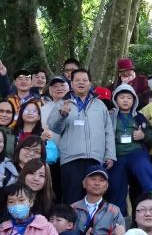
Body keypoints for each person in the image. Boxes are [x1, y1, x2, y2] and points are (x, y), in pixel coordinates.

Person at [47, 68, 116, 203]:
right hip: (71, 160)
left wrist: (110, 155)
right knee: (72, 198)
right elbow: (53, 127)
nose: (81, 83)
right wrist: (62, 115)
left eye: (85, 80)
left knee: (95, 198)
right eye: (77, 80)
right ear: (71, 83)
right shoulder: (63, 103)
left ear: (90, 83)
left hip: (95, 159)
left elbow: (108, 131)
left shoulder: (100, 105)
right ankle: (71, 225)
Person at [107, 83, 152, 209]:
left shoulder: (140, 117)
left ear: (134, 100)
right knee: (116, 185)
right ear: (115, 99)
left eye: (129, 98)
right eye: (122, 97)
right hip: (117, 156)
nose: (125, 100)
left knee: (144, 167)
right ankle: (119, 218)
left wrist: (143, 136)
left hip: (136, 153)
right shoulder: (109, 116)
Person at [71, 164, 126, 235]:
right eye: (93, 179)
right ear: (84, 183)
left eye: (101, 180)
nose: (97, 183)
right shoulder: (73, 208)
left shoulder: (114, 211)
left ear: (106, 186)